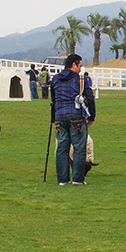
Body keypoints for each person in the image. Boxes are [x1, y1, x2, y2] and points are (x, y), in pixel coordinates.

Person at [50, 54, 89, 185]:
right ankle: (77, 179)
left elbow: (53, 99)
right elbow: (89, 96)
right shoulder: (80, 80)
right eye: (79, 66)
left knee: (62, 147)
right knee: (78, 147)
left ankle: (63, 179)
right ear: (74, 64)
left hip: (59, 115)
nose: (80, 69)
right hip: (75, 114)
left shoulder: (55, 79)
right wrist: (92, 116)